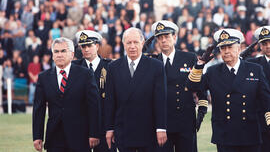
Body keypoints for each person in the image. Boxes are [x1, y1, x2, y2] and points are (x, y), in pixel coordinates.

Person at [187, 29, 270, 152]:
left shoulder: (255, 69)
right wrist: (199, 65)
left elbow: (265, 98)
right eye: (223, 48)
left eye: (230, 47)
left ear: (239, 48)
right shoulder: (213, 72)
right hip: (225, 134)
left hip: (250, 132)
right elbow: (192, 87)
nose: (226, 52)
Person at [32, 37, 101, 152]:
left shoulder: (85, 75)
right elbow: (39, 108)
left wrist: (94, 133)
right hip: (54, 137)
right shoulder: (43, 77)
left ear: (71, 54)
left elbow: (94, 105)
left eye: (63, 51)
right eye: (56, 51)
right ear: (52, 55)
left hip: (80, 137)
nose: (59, 55)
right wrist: (37, 136)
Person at [105, 27, 167, 152]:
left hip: (148, 129)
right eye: (129, 43)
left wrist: (161, 128)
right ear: (123, 44)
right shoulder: (113, 67)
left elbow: (160, 99)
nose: (132, 46)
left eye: (135, 42)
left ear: (142, 43)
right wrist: (109, 128)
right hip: (123, 129)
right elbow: (110, 101)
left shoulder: (156, 66)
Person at [151, 20, 208, 152]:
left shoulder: (189, 58)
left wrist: (201, 113)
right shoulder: (153, 62)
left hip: (186, 122)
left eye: (167, 36)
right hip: (162, 124)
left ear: (174, 37)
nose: (163, 40)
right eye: (160, 38)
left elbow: (201, 89)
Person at [73, 30, 116, 152]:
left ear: (97, 46)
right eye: (83, 46)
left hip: (105, 125)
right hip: (81, 126)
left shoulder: (110, 66)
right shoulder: (75, 68)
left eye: (89, 45)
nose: (86, 49)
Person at [247, 26, 270, 152]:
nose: (268, 46)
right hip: (260, 118)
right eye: (264, 43)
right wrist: (244, 53)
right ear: (260, 46)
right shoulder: (253, 64)